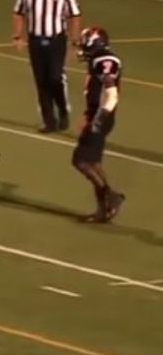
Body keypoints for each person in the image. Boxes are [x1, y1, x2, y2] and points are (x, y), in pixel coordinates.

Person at [12, 0, 82, 133]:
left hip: (56, 41)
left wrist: (75, 41)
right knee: (41, 81)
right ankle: (48, 121)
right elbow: (18, 12)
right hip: (36, 41)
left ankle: (63, 109)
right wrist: (18, 36)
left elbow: (74, 15)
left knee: (55, 78)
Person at [72, 27, 125, 223]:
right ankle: (103, 210)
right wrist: (88, 115)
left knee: (81, 161)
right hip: (98, 116)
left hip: (101, 117)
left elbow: (112, 95)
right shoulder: (99, 59)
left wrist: (98, 119)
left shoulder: (104, 60)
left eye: (86, 44)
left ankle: (111, 195)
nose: (83, 49)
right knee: (93, 162)